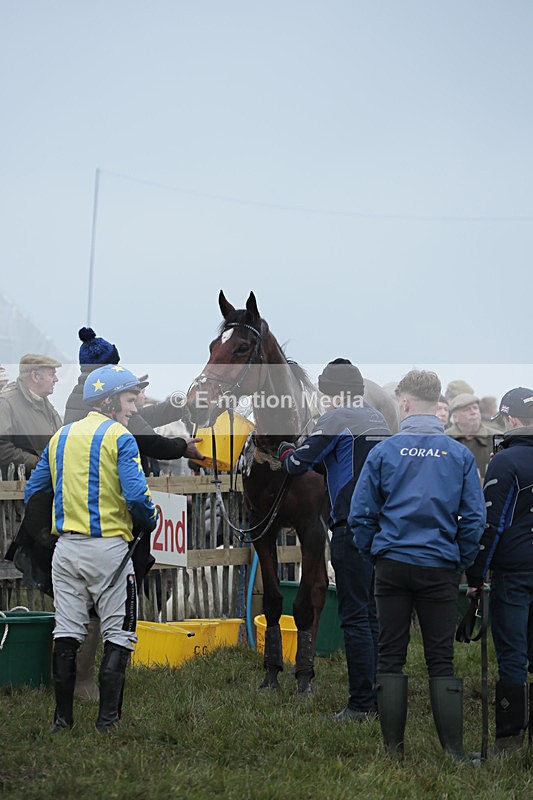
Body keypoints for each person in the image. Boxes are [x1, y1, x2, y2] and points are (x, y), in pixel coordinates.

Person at [349, 370, 485, 759]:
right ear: (436, 401)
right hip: (439, 564)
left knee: (390, 652)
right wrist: (460, 558)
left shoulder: (384, 452)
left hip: (391, 563)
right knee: (440, 656)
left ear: (404, 403)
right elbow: (474, 519)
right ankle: (455, 753)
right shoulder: (458, 454)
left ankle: (393, 751)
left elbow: (361, 515)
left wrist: (373, 553)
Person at [64, 327, 203, 698]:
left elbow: (140, 419)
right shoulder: (96, 407)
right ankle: (85, 683)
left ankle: (74, 683)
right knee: (105, 604)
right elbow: (144, 437)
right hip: (104, 519)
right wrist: (183, 448)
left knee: (80, 606)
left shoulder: (81, 398)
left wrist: (176, 407)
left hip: (78, 519)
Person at [24, 365, 158, 733]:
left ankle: (62, 721)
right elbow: (136, 495)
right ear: (111, 401)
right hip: (109, 551)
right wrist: (149, 516)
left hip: (65, 550)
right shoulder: (121, 436)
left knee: (66, 632)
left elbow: (32, 493)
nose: (134, 408)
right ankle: (107, 722)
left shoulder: (61, 436)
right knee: (119, 632)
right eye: (130, 400)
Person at [277, 358, 390, 720]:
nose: (324, 401)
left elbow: (297, 464)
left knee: (354, 618)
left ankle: (360, 704)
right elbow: (342, 461)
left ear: (335, 394)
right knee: (371, 616)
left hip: (350, 527)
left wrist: (283, 449)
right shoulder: (376, 418)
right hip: (381, 527)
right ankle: (376, 696)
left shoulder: (336, 416)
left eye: (326, 395)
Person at [466, 387, 533, 754]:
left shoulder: (505, 462)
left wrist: (476, 576)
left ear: (510, 420)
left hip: (514, 572)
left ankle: (509, 741)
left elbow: (491, 525)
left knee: (512, 655)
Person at [0, 354, 62, 478]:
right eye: (51, 374)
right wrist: (39, 464)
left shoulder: (46, 406)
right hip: (18, 490)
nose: (56, 379)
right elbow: (2, 448)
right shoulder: (6, 404)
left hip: (41, 486)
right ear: (35, 376)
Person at [446, 393, 496, 478]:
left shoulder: (495, 438)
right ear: (455, 417)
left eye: (475, 408)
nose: (473, 412)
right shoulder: (444, 439)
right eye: (466, 409)